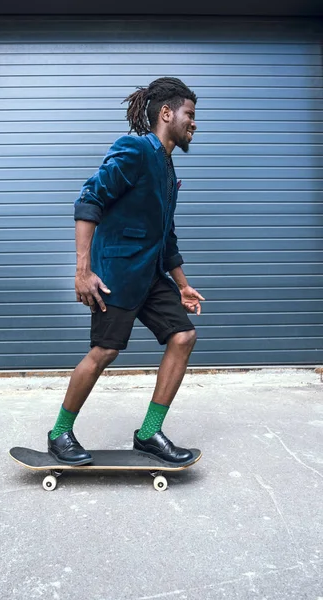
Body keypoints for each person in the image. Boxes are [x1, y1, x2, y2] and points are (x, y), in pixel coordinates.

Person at [48, 77, 205, 466]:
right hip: (115, 274)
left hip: (151, 275)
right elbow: (89, 200)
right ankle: (59, 433)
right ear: (166, 113)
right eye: (190, 114)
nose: (194, 123)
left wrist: (182, 286)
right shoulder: (135, 149)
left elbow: (165, 236)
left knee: (183, 336)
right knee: (105, 351)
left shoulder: (167, 170)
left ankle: (149, 433)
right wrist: (82, 271)